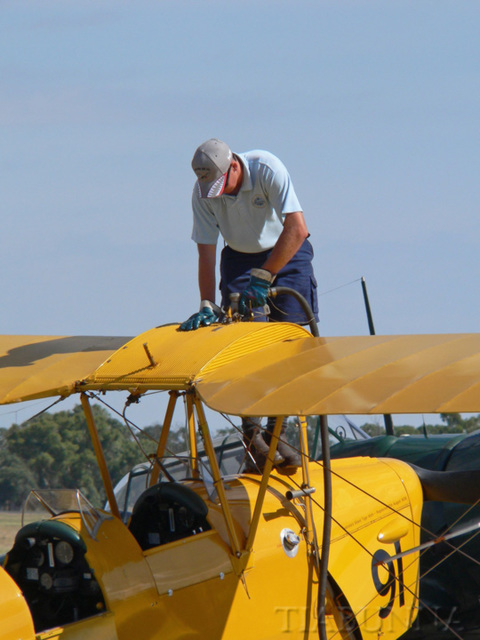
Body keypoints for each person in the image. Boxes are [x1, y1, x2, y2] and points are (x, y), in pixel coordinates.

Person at [179, 138, 319, 471]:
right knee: (242, 345)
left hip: (287, 251)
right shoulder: (203, 193)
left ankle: (277, 434)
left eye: (220, 185)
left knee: (288, 346)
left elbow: (297, 229)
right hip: (239, 259)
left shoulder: (267, 168)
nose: (217, 193)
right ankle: (251, 438)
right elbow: (206, 252)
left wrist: (266, 275)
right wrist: (205, 302)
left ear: (235, 167)